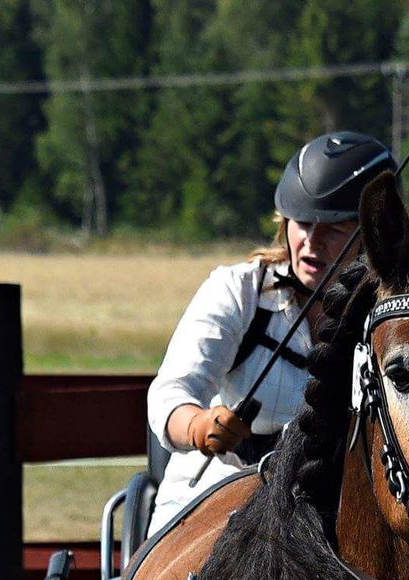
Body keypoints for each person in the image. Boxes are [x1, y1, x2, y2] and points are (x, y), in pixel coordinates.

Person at [144, 131, 396, 535]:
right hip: (212, 502)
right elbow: (171, 391)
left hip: (324, 516)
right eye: (302, 223)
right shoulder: (239, 291)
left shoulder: (387, 314)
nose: (311, 241)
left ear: (371, 235)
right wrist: (198, 425)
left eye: (334, 228)